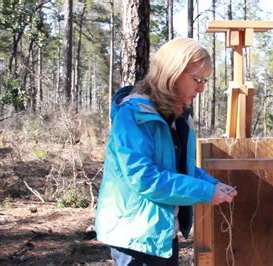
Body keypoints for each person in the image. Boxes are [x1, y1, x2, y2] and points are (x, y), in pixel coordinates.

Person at [95, 37, 238, 265]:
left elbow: (180, 167)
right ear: (173, 72)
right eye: (197, 79)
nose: (201, 88)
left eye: (205, 81)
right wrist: (204, 191)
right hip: (135, 234)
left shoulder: (176, 117)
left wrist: (211, 184)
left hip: (161, 231)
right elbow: (144, 178)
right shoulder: (133, 115)